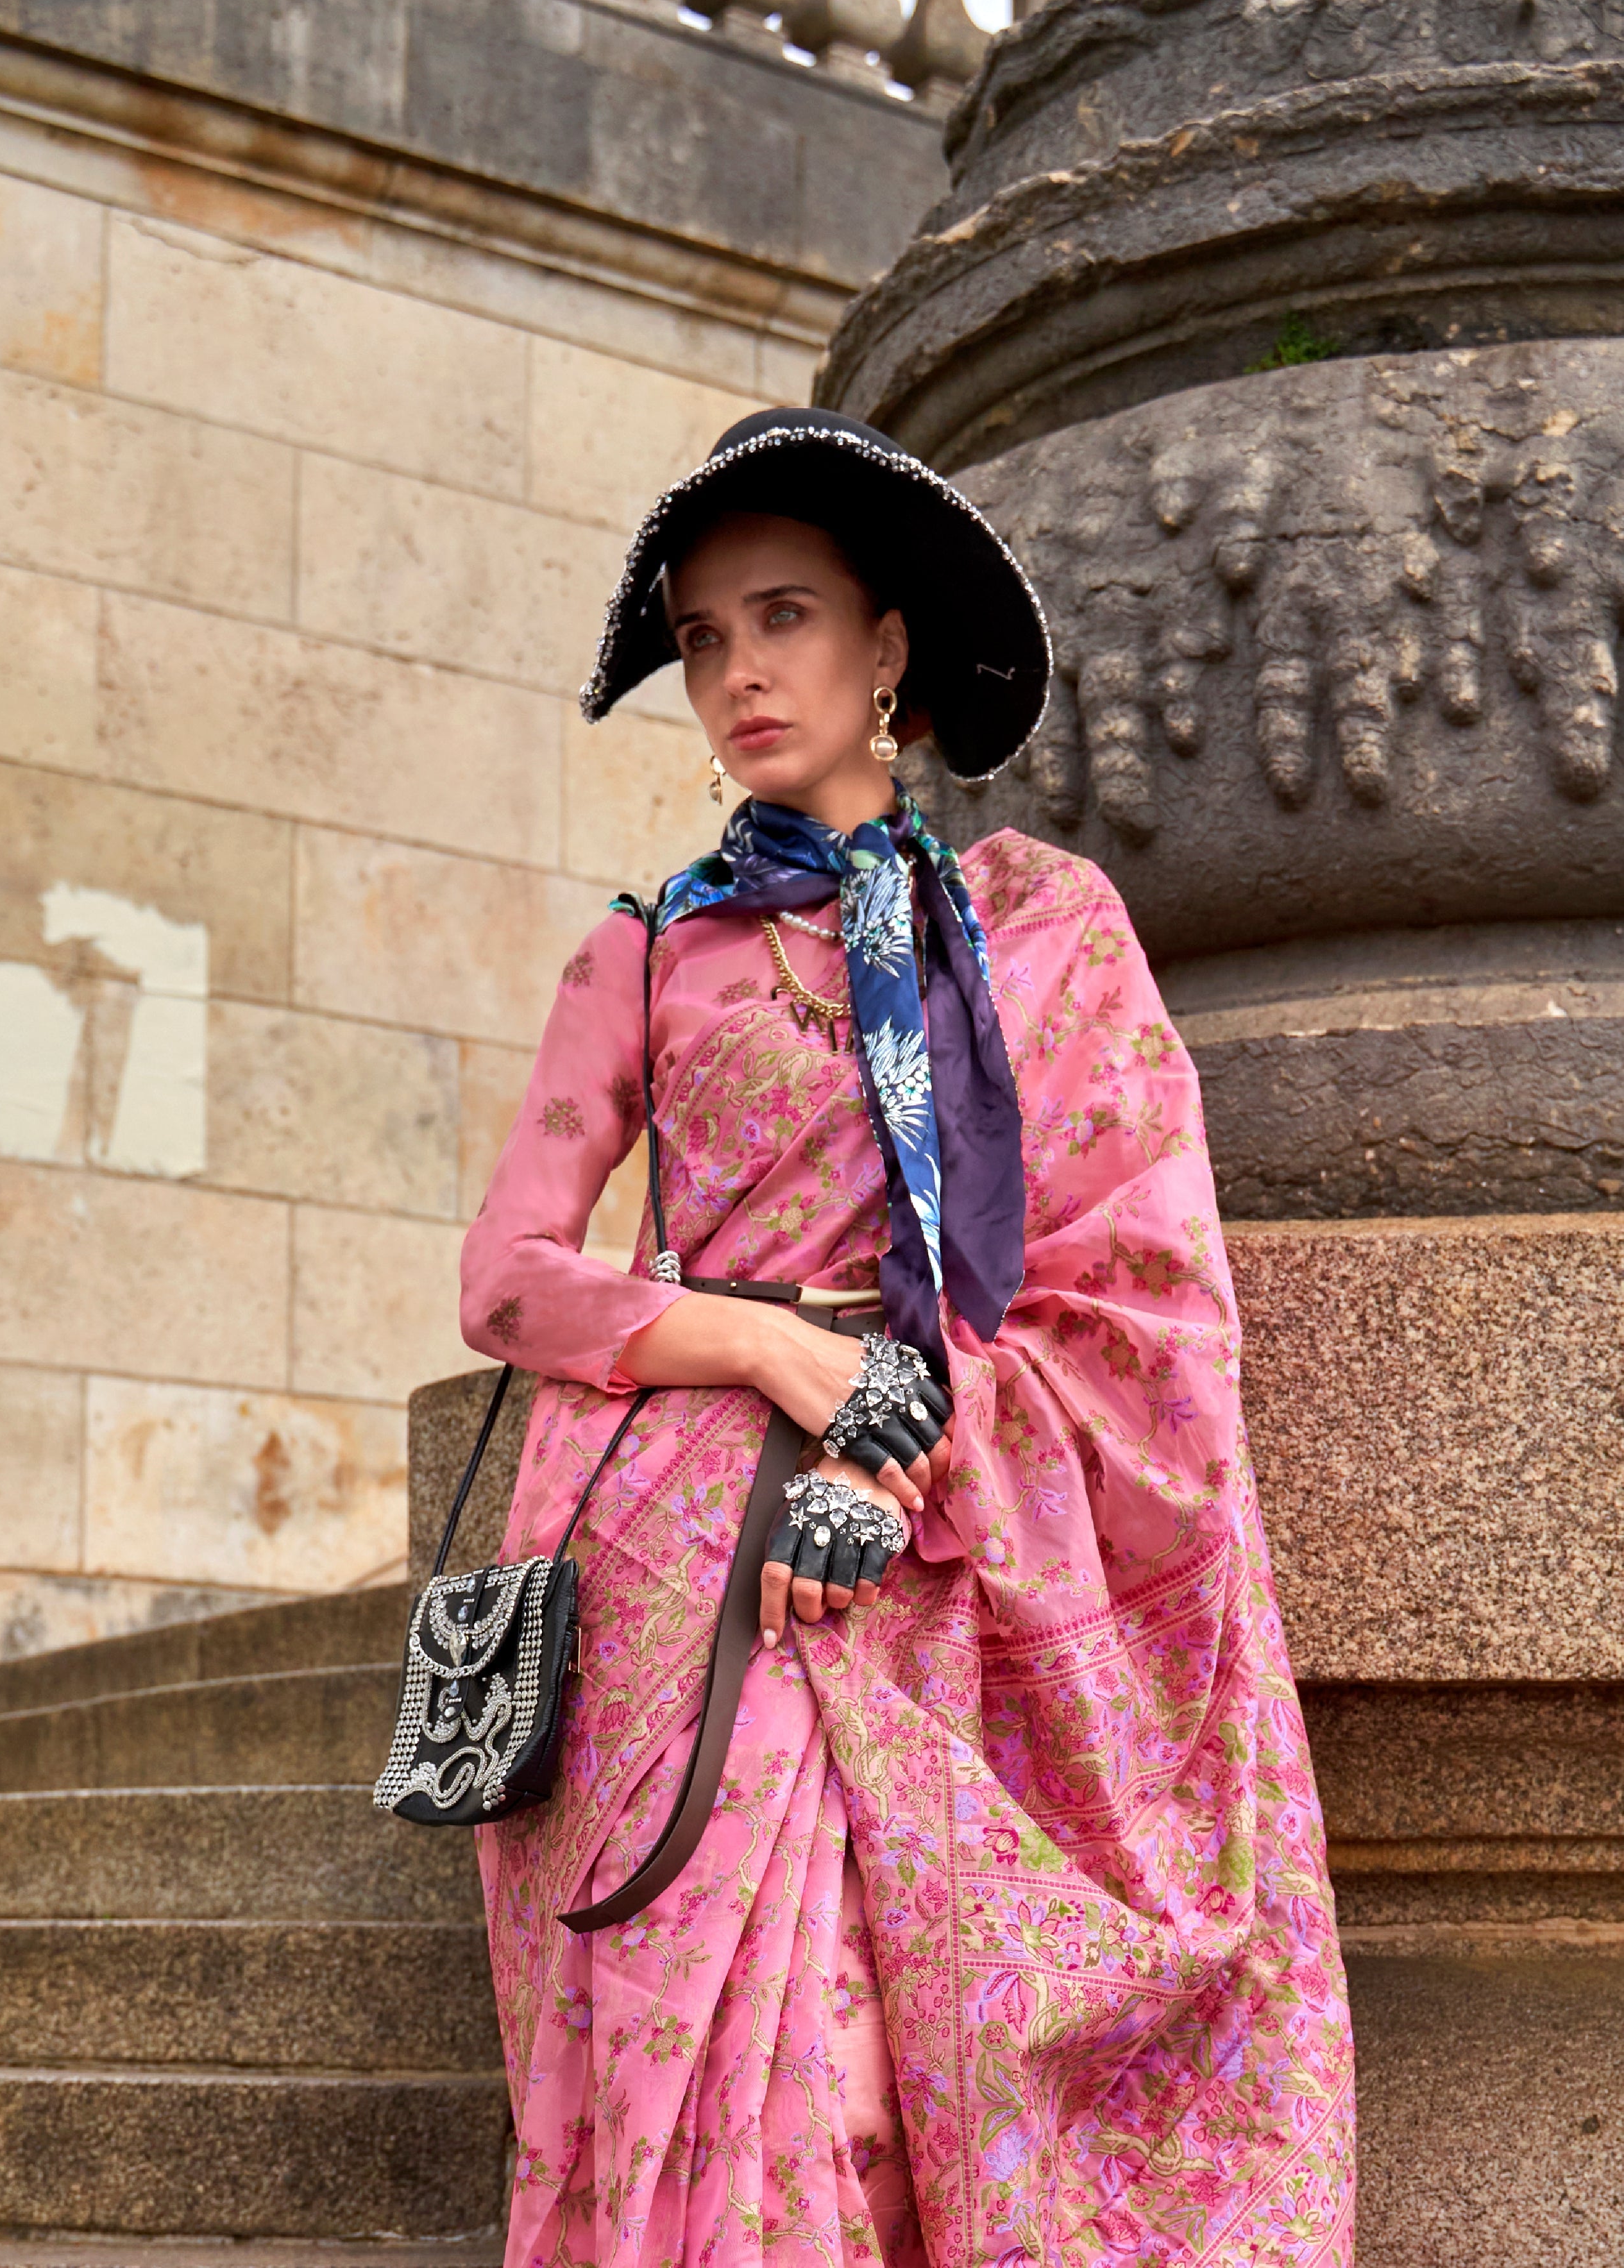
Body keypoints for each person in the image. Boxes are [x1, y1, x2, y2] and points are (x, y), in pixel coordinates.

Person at [462, 407, 1355, 2268]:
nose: (736, 673)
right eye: (702, 638)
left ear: (889, 651)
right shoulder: (641, 958)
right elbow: (509, 1278)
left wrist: (903, 1433)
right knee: (700, 2042)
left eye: (782, 616)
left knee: (866, 2075)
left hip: (927, 1551)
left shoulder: (1047, 938)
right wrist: (771, 1354)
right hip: (665, 1562)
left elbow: (1134, 1285)